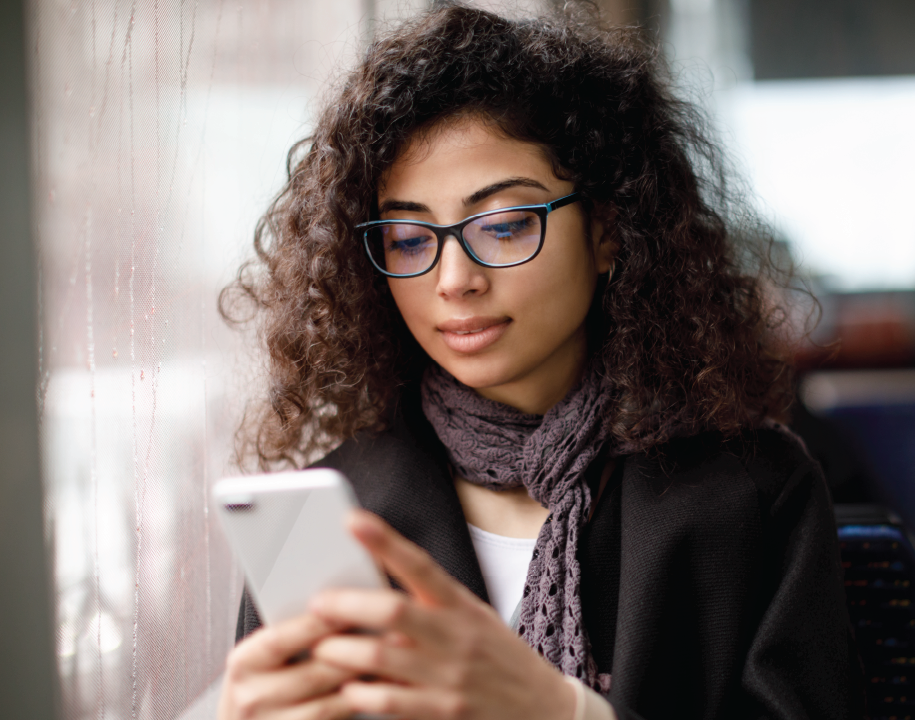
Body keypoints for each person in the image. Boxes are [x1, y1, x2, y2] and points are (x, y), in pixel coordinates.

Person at [217, 4, 857, 719]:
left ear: (609, 231)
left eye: (503, 226)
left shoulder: (755, 493)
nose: (454, 279)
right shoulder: (332, 512)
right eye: (406, 238)